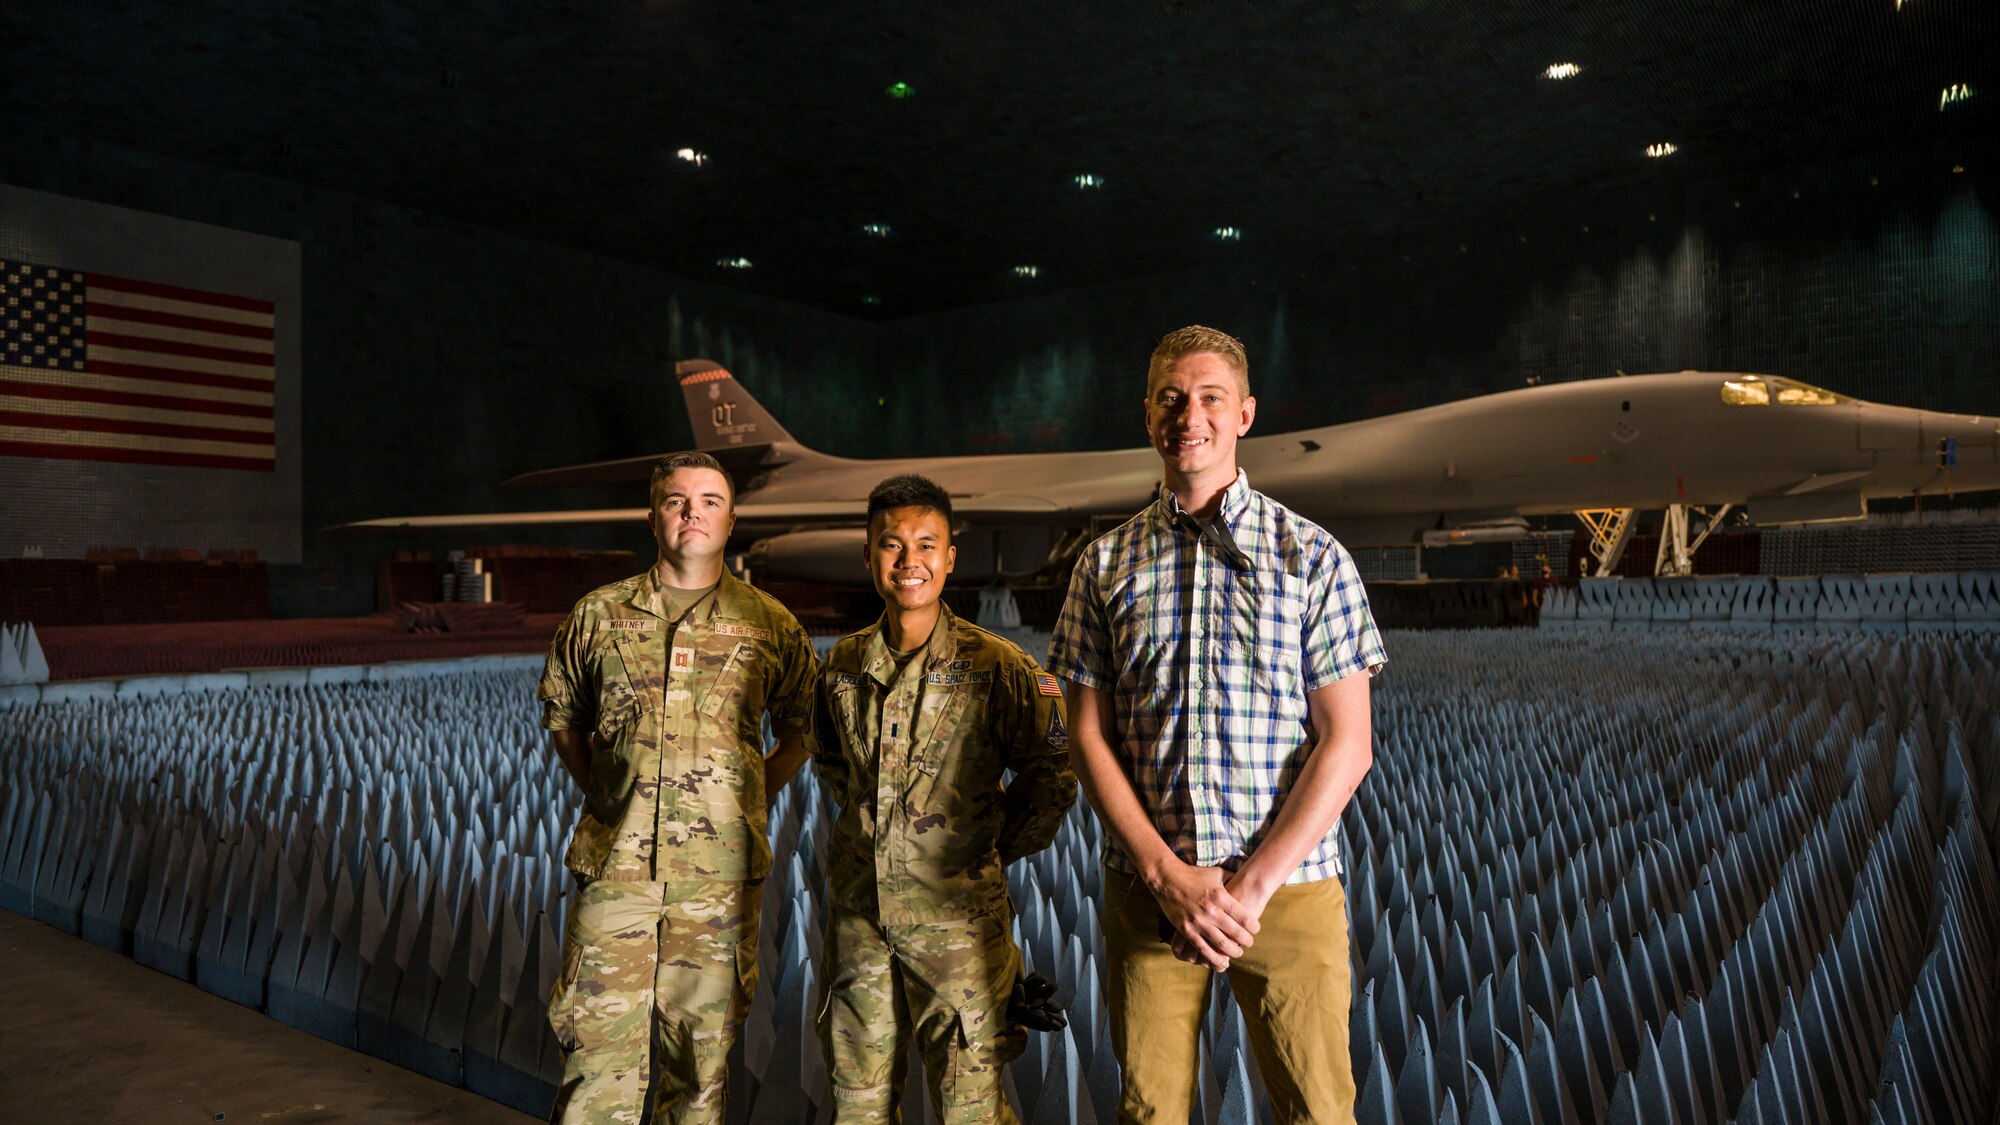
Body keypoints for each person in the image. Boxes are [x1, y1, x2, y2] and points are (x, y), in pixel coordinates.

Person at [1046, 325, 1387, 1124]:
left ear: (1244, 415)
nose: (1187, 414)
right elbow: (1087, 735)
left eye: (1209, 397)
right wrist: (1169, 877)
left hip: (1289, 892)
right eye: (1170, 397)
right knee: (1150, 1111)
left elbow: (1349, 743)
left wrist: (1247, 887)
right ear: (1148, 414)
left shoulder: (1313, 556)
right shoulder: (1105, 564)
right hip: (1150, 891)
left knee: (1319, 1110)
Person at [537, 451, 818, 1125]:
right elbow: (565, 722)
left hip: (717, 884)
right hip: (618, 873)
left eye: (710, 500)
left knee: (699, 1072)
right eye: (676, 499)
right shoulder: (598, 615)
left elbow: (804, 730)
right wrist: (614, 795)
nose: (693, 512)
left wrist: (750, 795)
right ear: (653, 513)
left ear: (730, 518)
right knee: (594, 1063)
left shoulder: (769, 623)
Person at [812, 473, 1078, 1124]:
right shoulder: (842, 666)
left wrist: (979, 848)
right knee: (859, 1105)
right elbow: (833, 767)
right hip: (861, 926)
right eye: (891, 545)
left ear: (950, 556)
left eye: (926, 544)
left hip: (961, 930)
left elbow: (1051, 778)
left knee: (972, 1106)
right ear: (868, 555)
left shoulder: (1003, 667)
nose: (910, 561)